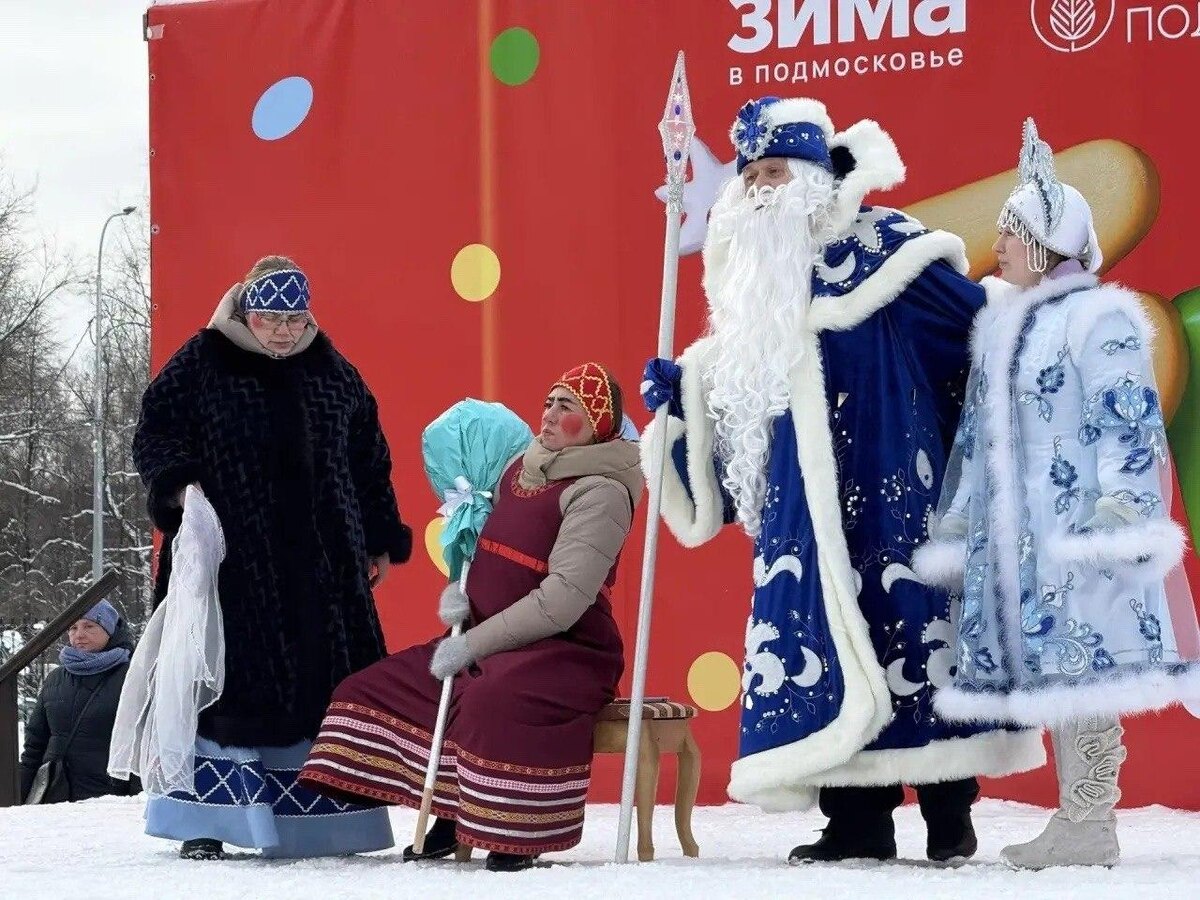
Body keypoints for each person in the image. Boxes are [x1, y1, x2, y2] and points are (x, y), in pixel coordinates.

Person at [639, 96, 1045, 864]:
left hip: (899, 497)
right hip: (804, 517)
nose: (759, 189)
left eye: (774, 173)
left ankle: (949, 811)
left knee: (915, 641)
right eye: (749, 176)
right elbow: (747, 392)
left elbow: (982, 333)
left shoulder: (890, 252)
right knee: (826, 647)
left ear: (815, 178)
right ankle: (857, 820)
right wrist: (687, 393)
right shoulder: (756, 283)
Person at [913, 118, 1200, 869]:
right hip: (1025, 535)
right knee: (1061, 670)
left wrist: (1123, 513)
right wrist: (965, 515)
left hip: (1078, 524)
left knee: (1089, 666)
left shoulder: (1099, 318)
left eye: (1010, 232)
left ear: (1043, 240)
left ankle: (1090, 818)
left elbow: (1130, 421)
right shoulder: (1004, 326)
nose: (998, 245)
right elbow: (978, 438)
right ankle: (1081, 817)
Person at [299, 363, 644, 872]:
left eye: (566, 406)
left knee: (488, 699)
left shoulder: (602, 491)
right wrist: (460, 595)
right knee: (376, 687)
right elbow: (486, 548)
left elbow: (563, 600)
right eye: (549, 401)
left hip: (565, 650)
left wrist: (476, 643)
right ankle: (446, 812)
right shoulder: (519, 469)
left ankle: (513, 833)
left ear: (596, 423)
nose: (549, 414)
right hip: (485, 635)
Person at [131, 256, 411, 860]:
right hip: (232, 561)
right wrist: (178, 486)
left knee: (323, 685)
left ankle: (322, 823)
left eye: (293, 317)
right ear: (245, 309)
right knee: (223, 681)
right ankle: (209, 820)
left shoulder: (334, 373)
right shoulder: (202, 361)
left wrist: (379, 537)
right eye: (270, 316)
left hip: (324, 567)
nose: (283, 330)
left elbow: (370, 459)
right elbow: (155, 430)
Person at [20, 600, 140, 803]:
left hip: (110, 801)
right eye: (72, 627)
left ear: (110, 630)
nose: (79, 635)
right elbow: (35, 745)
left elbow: (143, 747)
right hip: (54, 798)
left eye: (89, 626)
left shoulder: (132, 676)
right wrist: (19, 795)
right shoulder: (55, 678)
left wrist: (134, 801)